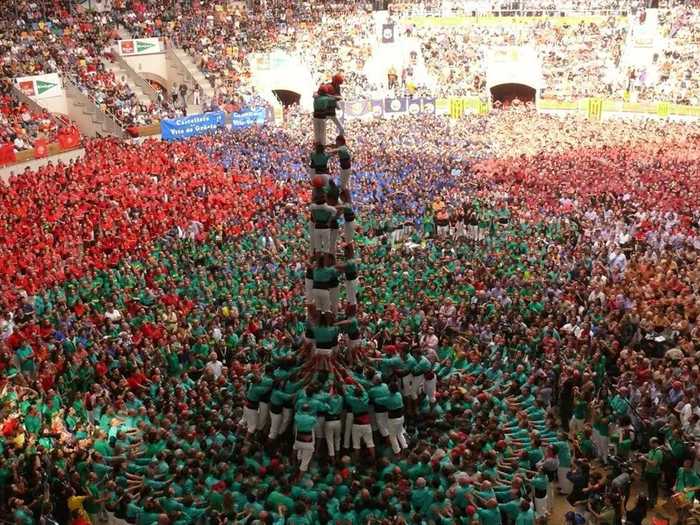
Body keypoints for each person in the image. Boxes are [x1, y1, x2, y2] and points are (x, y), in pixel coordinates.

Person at [293, 404, 317, 473]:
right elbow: (314, 423)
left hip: (298, 440)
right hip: (308, 442)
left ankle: (295, 465)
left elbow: (297, 414)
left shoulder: (297, 417)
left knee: (299, 453)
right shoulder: (312, 418)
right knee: (305, 461)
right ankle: (301, 475)